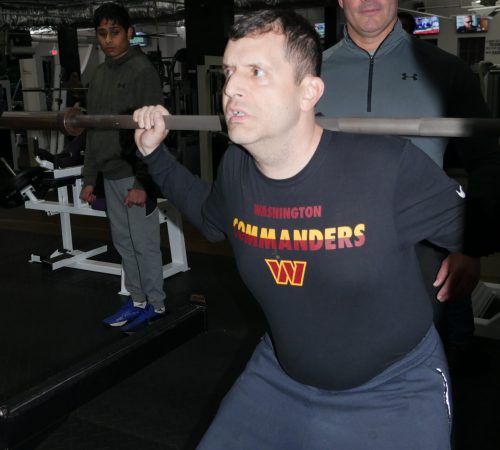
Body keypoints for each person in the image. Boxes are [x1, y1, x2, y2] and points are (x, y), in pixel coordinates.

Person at [133, 10, 469, 449]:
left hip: (394, 390)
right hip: (280, 379)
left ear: (308, 92)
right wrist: (154, 155)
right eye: (230, 72)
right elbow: (211, 218)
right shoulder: (237, 168)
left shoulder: (386, 169)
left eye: (257, 72)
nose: (232, 88)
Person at [317, 0, 500, 371]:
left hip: (419, 254)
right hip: (325, 245)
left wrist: (473, 246)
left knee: (413, 371)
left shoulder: (445, 71)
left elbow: (487, 160)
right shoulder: (309, 74)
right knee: (331, 364)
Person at [80, 2, 167, 332]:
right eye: (102, 33)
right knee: (124, 244)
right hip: (110, 176)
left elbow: (154, 130)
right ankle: (138, 300)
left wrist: (143, 183)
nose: (107, 40)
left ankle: (156, 305)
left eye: (114, 32)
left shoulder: (142, 71)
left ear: (129, 33)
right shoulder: (99, 75)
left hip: (134, 175)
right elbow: (92, 128)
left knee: (144, 245)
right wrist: (90, 178)